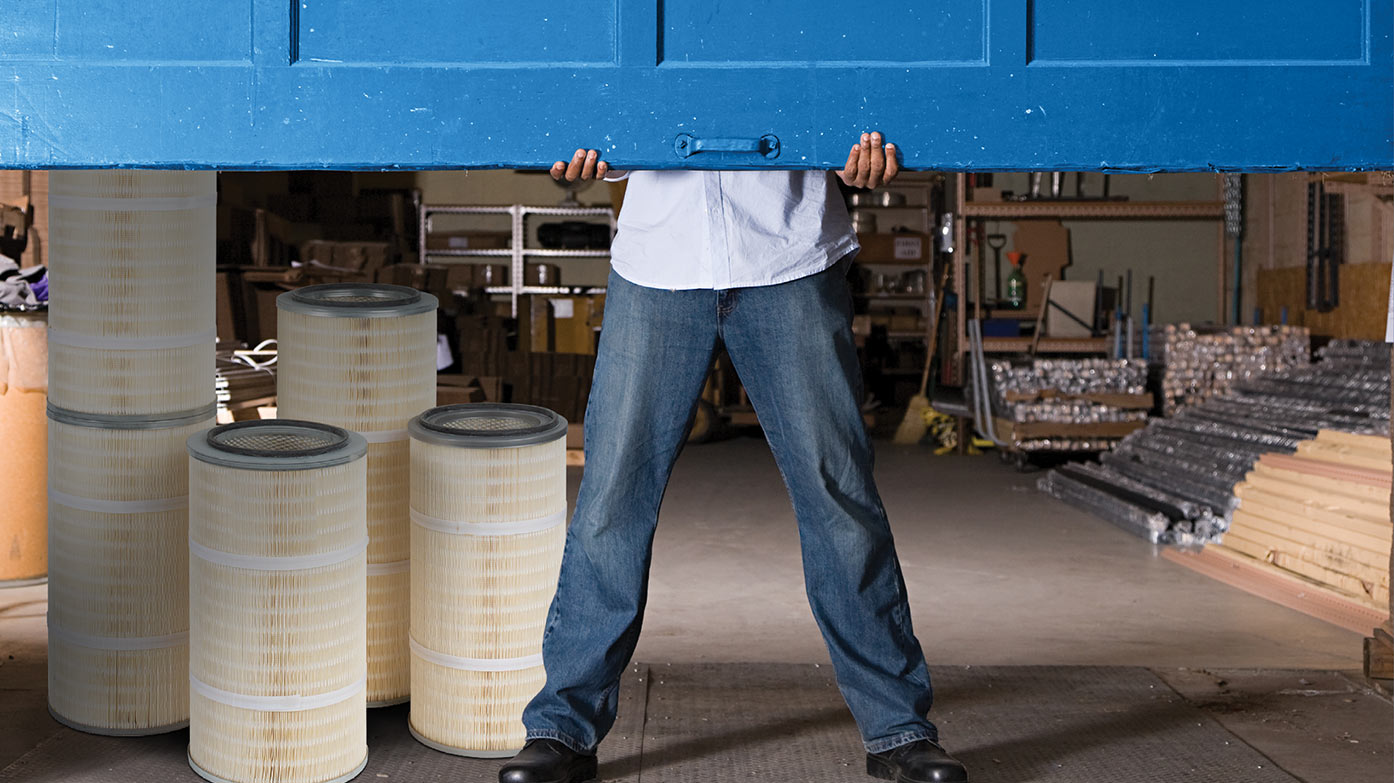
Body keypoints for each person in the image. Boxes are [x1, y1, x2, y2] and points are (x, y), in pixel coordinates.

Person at [499, 133, 968, 783]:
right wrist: (588, 146)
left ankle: (898, 729)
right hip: (659, 259)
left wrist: (860, 146)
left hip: (789, 251)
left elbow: (842, 97)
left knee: (839, 500)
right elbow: (618, 104)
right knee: (611, 501)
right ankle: (562, 728)